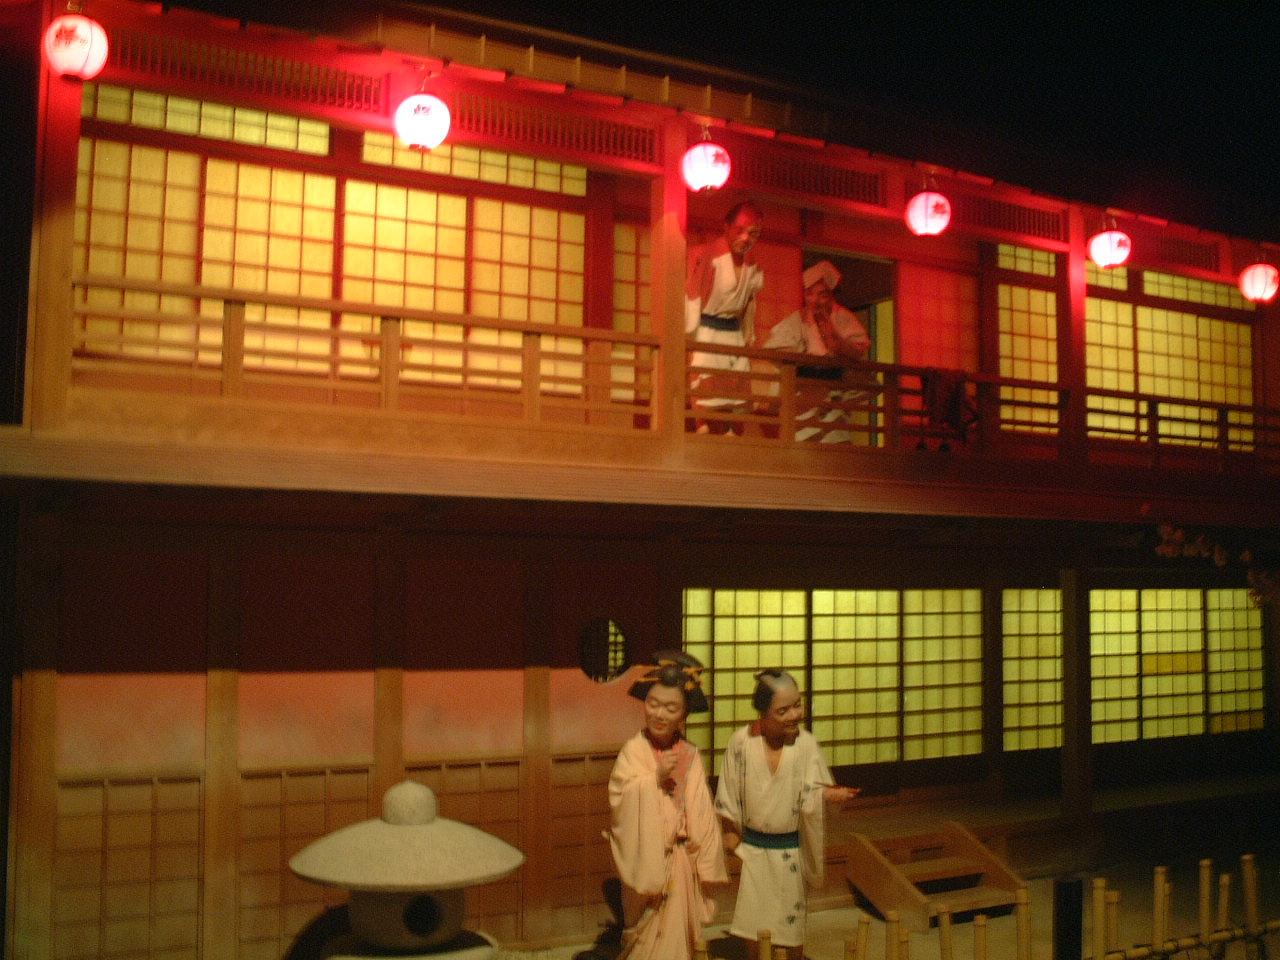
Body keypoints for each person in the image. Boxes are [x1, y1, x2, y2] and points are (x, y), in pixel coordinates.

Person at [714, 669, 859, 960]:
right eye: (783, 710)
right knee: (754, 926)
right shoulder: (741, 742)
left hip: (790, 851)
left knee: (790, 929)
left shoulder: (806, 744)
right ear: (763, 713)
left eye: (797, 705)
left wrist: (826, 795)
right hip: (754, 850)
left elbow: (813, 790)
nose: (794, 715)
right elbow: (728, 793)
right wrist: (731, 835)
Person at [607, 651, 727, 960]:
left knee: (677, 945)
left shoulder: (690, 754)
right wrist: (654, 779)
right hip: (648, 860)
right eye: (653, 704)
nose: (659, 714)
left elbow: (701, 812)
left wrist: (704, 860)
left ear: (684, 714)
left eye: (671, 708)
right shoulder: (633, 751)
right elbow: (620, 798)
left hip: (680, 861)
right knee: (645, 946)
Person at [763, 259, 874, 443]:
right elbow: (774, 348)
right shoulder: (798, 319)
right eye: (809, 294)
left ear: (831, 295)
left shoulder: (843, 317)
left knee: (834, 435)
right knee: (802, 436)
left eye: (821, 294)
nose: (815, 300)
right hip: (804, 390)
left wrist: (836, 341)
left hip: (835, 387)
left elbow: (858, 347)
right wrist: (801, 355)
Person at [685, 201, 765, 434]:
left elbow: (750, 303)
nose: (745, 238)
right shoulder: (707, 255)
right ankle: (703, 427)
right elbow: (692, 294)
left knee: (735, 392)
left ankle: (732, 432)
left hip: (734, 334)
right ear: (726, 227)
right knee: (706, 389)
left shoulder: (752, 264)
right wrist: (689, 333)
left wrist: (749, 335)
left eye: (753, 233)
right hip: (707, 331)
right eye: (739, 230)